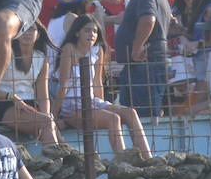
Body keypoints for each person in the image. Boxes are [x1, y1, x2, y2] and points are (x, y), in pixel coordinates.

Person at [57, 14, 152, 159]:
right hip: (71, 105)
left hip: (90, 101)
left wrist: (101, 108)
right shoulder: (69, 48)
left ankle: (149, 159)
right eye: (87, 30)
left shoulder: (97, 50)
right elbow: (63, 85)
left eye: (95, 31)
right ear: (77, 33)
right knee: (113, 119)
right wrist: (54, 115)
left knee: (130, 113)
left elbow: (97, 83)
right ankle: (124, 163)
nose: (92, 34)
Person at [113, 0, 173, 119]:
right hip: (148, 63)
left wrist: (136, 47)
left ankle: (142, 146)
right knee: (139, 115)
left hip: (144, 64)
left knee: (141, 117)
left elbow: (148, 19)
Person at [0, 24, 59, 145]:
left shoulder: (41, 58)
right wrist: (12, 97)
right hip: (5, 104)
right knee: (47, 124)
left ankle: (56, 160)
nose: (27, 33)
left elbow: (43, 96)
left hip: (30, 105)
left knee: (50, 123)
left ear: (38, 34)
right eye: (23, 29)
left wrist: (46, 114)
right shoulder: (6, 54)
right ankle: (58, 160)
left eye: (31, 29)